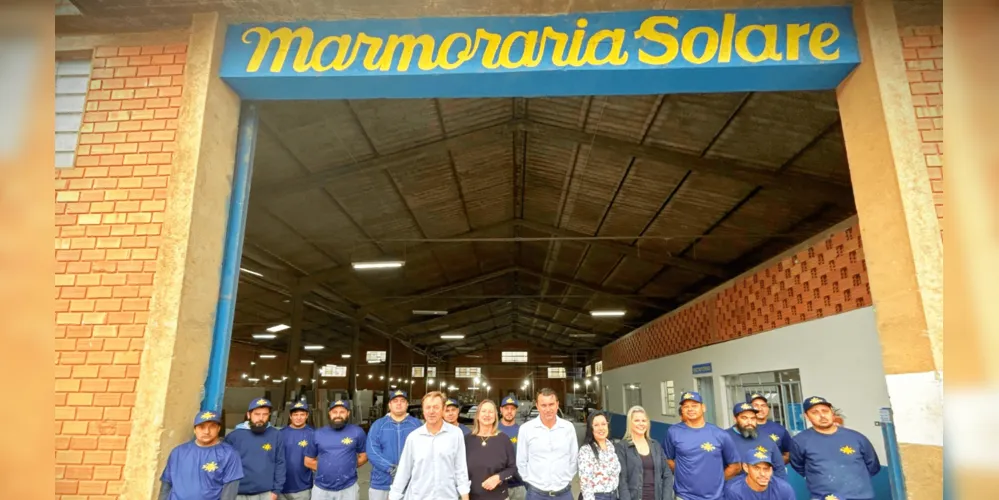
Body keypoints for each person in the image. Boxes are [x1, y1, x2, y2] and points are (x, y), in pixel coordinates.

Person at [791, 396, 881, 500]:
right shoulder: (800, 441)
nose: (822, 415)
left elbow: (873, 466)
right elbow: (799, 466)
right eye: (815, 412)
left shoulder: (856, 437)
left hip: (861, 497)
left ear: (832, 413)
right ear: (806, 416)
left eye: (825, 411)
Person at [389, 391, 471, 500]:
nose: (431, 411)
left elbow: (460, 468)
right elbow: (403, 471)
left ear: (443, 409)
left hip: (447, 496)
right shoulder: (414, 438)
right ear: (423, 410)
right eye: (428, 407)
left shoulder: (455, 434)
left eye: (436, 407)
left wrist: (465, 495)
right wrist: (394, 496)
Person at [664, 391, 740, 500]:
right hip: (684, 496)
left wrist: (717, 480)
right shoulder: (673, 432)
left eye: (694, 405)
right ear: (682, 410)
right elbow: (667, 459)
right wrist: (682, 473)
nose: (690, 409)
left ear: (703, 408)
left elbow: (735, 466)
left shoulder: (720, 434)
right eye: (686, 406)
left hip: (715, 497)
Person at [159, 410, 243, 500]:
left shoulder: (229, 454)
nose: (207, 431)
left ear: (218, 428)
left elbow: (229, 491)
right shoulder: (178, 452)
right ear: (195, 430)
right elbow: (167, 483)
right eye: (201, 427)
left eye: (212, 427)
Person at [516, 388, 578, 500]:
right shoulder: (526, 429)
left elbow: (574, 458)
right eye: (543, 405)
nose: (548, 409)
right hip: (536, 494)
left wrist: (566, 479)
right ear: (537, 406)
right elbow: (521, 461)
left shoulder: (568, 428)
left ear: (557, 404)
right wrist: (530, 482)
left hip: (564, 493)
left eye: (551, 404)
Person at [304, 399, 367, 500]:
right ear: (329, 413)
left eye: (342, 412)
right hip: (321, 489)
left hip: (349, 488)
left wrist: (348, 467)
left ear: (348, 413)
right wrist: (326, 470)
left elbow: (364, 456)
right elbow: (308, 461)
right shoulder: (317, 434)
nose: (338, 415)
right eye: (334, 412)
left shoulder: (357, 432)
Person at [365, 390, 422, 500]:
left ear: (407, 404)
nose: (399, 403)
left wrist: (408, 470)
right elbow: (372, 451)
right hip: (382, 482)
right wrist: (390, 468)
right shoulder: (378, 425)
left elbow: (423, 450)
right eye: (395, 401)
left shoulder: (416, 425)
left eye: (402, 401)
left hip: (410, 483)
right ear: (389, 405)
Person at [225, 398, 286, 500]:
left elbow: (280, 463)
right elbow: (225, 465)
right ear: (249, 415)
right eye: (257, 414)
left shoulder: (276, 435)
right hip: (238, 493)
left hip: (266, 494)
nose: (261, 418)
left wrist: (276, 490)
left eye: (265, 414)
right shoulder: (234, 436)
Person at [615, 405, 674, 500]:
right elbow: (622, 481)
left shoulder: (656, 446)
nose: (641, 423)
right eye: (637, 420)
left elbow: (667, 474)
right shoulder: (622, 447)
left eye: (644, 420)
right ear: (630, 423)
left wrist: (666, 498)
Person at [465, 399, 518, 500]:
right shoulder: (467, 440)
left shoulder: (504, 439)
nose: (487, 414)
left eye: (490, 412)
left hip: (499, 496)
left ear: (495, 416)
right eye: (484, 411)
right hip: (472, 497)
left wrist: (498, 477)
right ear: (477, 415)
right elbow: (460, 471)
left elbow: (513, 468)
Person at [728, 403, 786, 480]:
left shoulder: (766, 438)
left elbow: (779, 468)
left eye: (753, 418)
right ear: (735, 419)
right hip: (734, 485)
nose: (749, 422)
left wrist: (780, 486)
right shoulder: (725, 438)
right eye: (744, 418)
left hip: (764, 485)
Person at [578, 410, 621, 500]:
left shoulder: (611, 447)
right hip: (597, 497)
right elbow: (586, 485)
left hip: (614, 495)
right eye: (596, 425)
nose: (601, 428)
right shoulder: (585, 451)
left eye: (603, 424)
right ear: (591, 429)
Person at [722, 449, 795, 500]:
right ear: (746, 468)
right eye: (756, 468)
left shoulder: (783, 488)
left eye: (766, 469)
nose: (763, 474)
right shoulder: (733, 490)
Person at [279, 401, 315, 500]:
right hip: (281, 487)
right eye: (295, 415)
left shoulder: (313, 434)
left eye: (302, 414)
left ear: (307, 416)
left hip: (303, 488)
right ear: (290, 416)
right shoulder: (280, 434)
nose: (299, 418)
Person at [747, 394, 792, 464]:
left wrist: (773, 463)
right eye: (756, 405)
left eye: (763, 405)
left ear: (768, 409)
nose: (760, 409)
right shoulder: (743, 429)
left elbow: (788, 454)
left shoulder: (779, 429)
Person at [497, 395, 526, 500]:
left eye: (512, 408)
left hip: (519, 484)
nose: (509, 411)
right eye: (506, 408)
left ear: (516, 410)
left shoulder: (522, 431)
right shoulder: (493, 430)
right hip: (498, 484)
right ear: (501, 409)